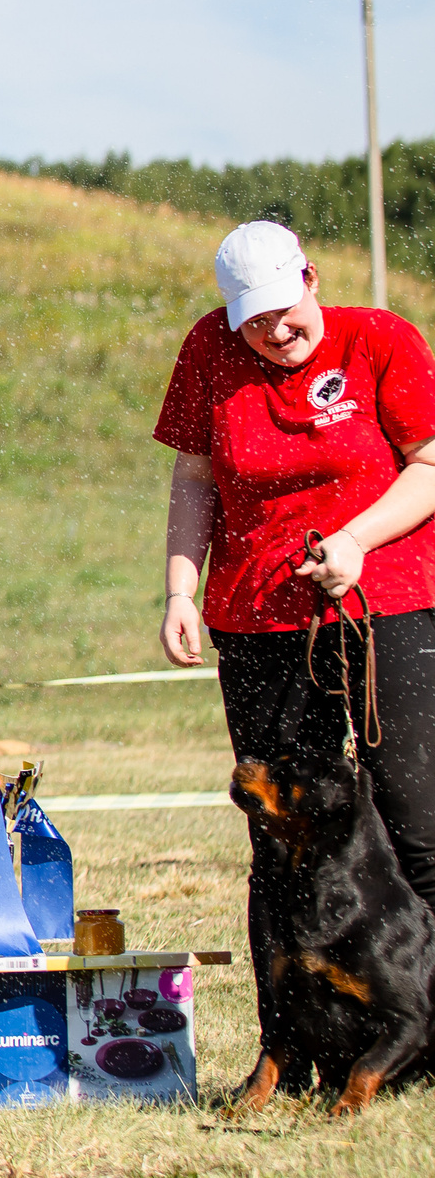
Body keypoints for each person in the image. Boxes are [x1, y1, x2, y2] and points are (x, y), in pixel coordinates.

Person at [158, 219, 435, 909]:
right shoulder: (208, 350)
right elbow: (195, 478)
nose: (275, 333)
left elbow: (430, 464)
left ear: (310, 278)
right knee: (281, 837)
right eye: (255, 322)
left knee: (415, 827)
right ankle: (287, 1019)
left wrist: (355, 541)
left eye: (285, 312)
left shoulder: (380, 337)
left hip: (389, 608)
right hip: (258, 623)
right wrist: (180, 592)